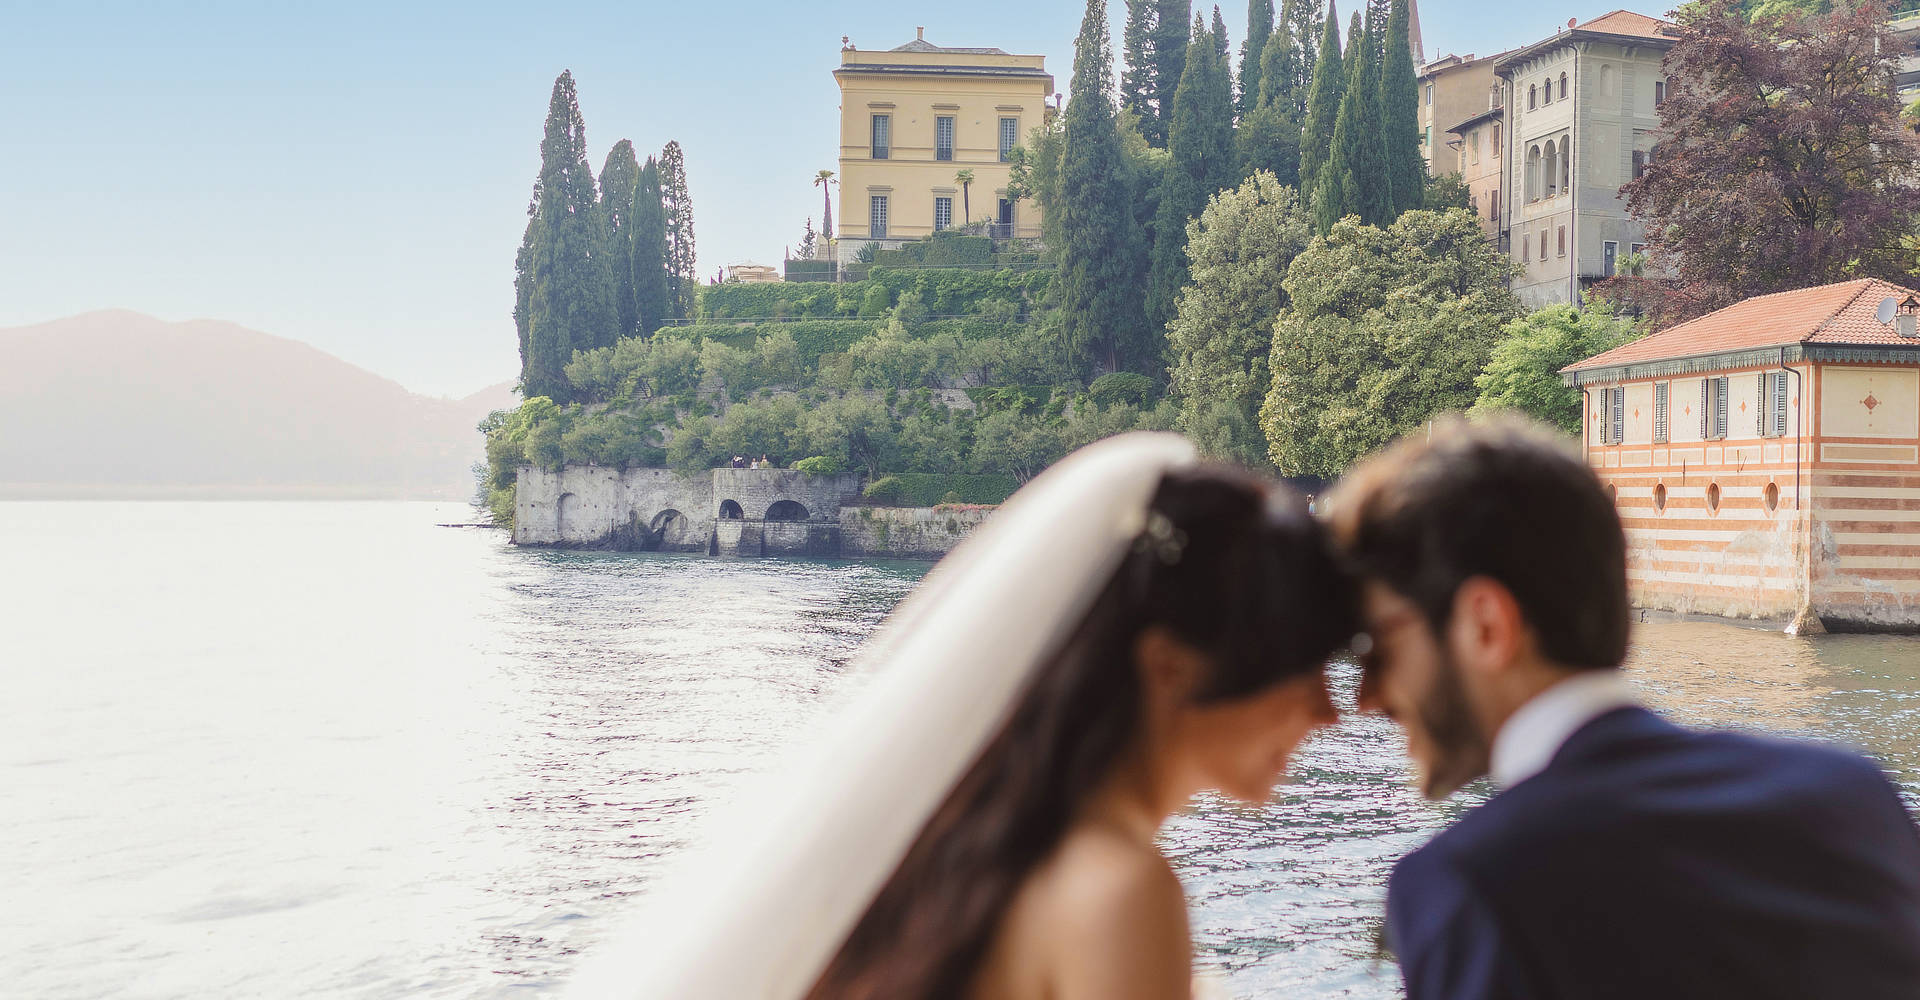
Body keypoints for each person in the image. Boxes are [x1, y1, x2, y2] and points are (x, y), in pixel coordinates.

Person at [1325, 415, 1920, 1000]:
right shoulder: (1851, 793)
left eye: (1378, 646)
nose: (1366, 696)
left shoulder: (1470, 886)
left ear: (1485, 625)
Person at [805, 464, 1360, 1000]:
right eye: (1303, 671)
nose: (1327, 712)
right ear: (1169, 666)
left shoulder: (986, 853)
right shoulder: (1121, 889)